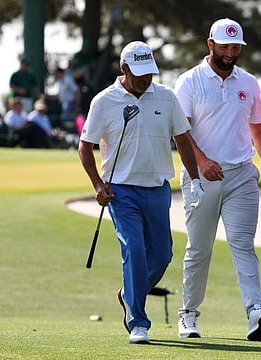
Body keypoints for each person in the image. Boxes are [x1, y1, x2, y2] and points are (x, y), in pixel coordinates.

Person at [78, 41, 204, 345]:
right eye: (139, 74)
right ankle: (137, 321)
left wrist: (196, 179)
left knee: (162, 255)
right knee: (133, 249)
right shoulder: (104, 101)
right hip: (121, 192)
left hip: (158, 188)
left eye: (149, 72)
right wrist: (97, 184)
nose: (146, 79)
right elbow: (85, 147)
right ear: (124, 69)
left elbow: (183, 139)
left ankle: (128, 294)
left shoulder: (165, 96)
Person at [173, 18, 261, 341]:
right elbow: (180, 131)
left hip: (241, 176)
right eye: (225, 46)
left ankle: (255, 312)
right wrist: (202, 161)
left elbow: (259, 129)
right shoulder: (190, 81)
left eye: (236, 47)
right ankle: (188, 315)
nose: (231, 52)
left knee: (243, 245)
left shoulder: (248, 83)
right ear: (210, 45)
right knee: (199, 248)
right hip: (200, 176)